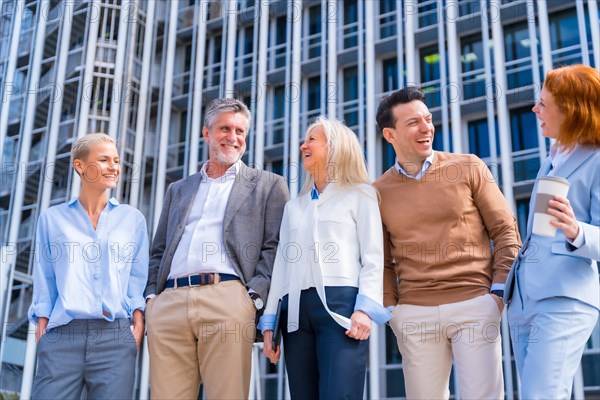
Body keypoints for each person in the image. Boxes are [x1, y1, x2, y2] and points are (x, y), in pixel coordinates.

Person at [373, 87, 521, 399]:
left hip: (475, 305)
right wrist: (392, 310)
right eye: (413, 123)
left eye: (427, 119)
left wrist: (496, 295)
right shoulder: (378, 191)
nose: (426, 128)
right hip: (414, 314)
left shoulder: (468, 167)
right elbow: (381, 260)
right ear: (390, 135)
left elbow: (506, 231)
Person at [144, 98, 289, 399]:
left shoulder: (268, 185)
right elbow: (159, 250)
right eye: (225, 128)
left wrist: (252, 298)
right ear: (206, 133)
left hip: (228, 298)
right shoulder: (178, 189)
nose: (233, 137)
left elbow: (275, 246)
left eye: (240, 131)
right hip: (169, 303)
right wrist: (151, 299)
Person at [261, 117, 391, 399]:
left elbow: (373, 257)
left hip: (342, 306)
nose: (303, 146)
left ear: (335, 148)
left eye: (311, 140)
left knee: (339, 394)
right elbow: (281, 266)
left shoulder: (361, 194)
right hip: (295, 312)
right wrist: (270, 322)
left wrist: (365, 309)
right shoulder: (294, 207)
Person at [28, 133, 149, 399]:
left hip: (115, 337)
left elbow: (137, 280)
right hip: (62, 335)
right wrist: (44, 327)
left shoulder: (133, 220)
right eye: (104, 159)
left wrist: (137, 327)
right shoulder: (52, 219)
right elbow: (45, 278)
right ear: (79, 166)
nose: (114, 167)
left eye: (116, 161)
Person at [504, 64, 600, 399]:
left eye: (543, 104)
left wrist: (575, 229)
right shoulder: (552, 158)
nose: (535, 109)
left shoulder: (597, 158)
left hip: (563, 299)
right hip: (524, 299)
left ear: (570, 110)